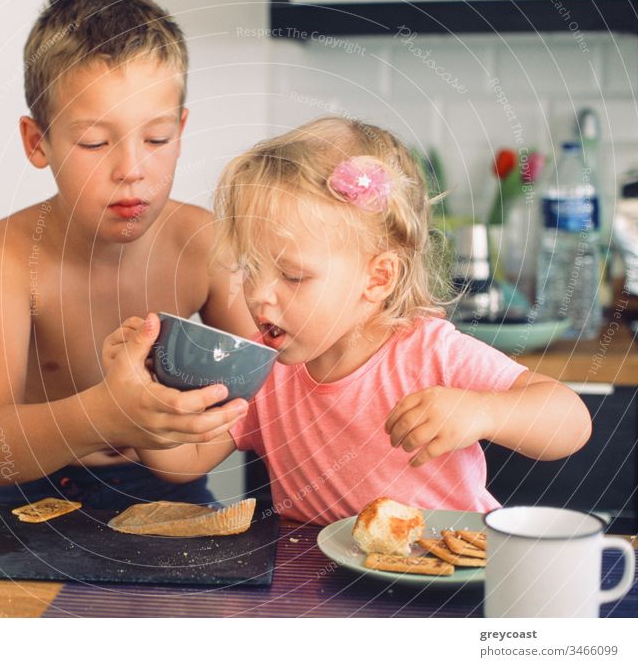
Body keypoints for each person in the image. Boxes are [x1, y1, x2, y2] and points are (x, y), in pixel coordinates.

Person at [131, 116, 592, 525]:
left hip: (448, 577)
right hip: (318, 586)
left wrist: (484, 412)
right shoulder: (264, 369)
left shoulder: (429, 352)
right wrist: (141, 389)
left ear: (378, 278)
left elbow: (571, 423)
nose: (258, 294)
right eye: (250, 269)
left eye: (292, 275)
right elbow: (181, 463)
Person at [0, 0, 253, 510]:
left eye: (157, 139)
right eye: (94, 142)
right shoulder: (3, 254)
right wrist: (104, 414)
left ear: (181, 130)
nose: (131, 169)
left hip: (169, 491)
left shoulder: (202, 240)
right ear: (37, 142)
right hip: (38, 492)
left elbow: (276, 377)